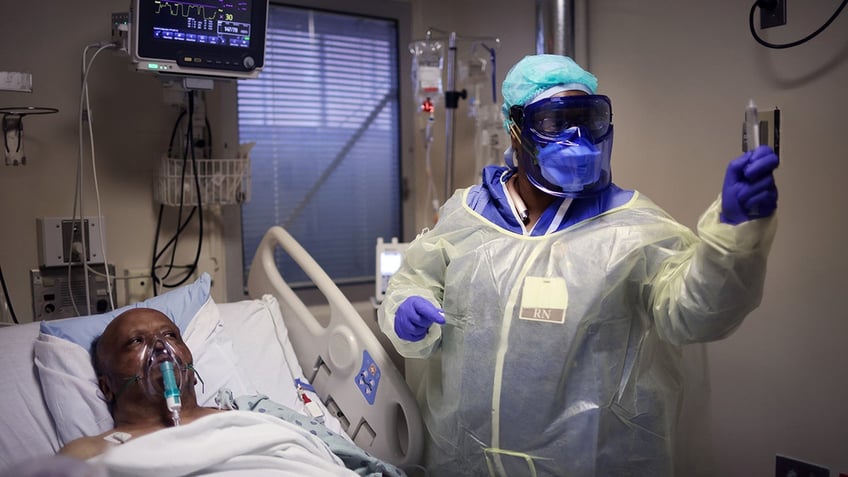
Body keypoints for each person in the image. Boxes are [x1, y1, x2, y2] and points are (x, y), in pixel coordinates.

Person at [378, 54, 778, 476]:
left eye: (590, 120)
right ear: (515, 130)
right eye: (555, 122)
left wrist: (732, 237)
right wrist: (407, 308)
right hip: (463, 460)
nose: (579, 138)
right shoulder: (467, 215)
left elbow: (695, 314)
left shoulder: (633, 228)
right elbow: (415, 281)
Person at [60, 307, 405, 477]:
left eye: (171, 335)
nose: (162, 348)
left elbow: (350, 462)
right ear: (106, 386)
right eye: (137, 341)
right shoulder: (92, 450)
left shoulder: (250, 411)